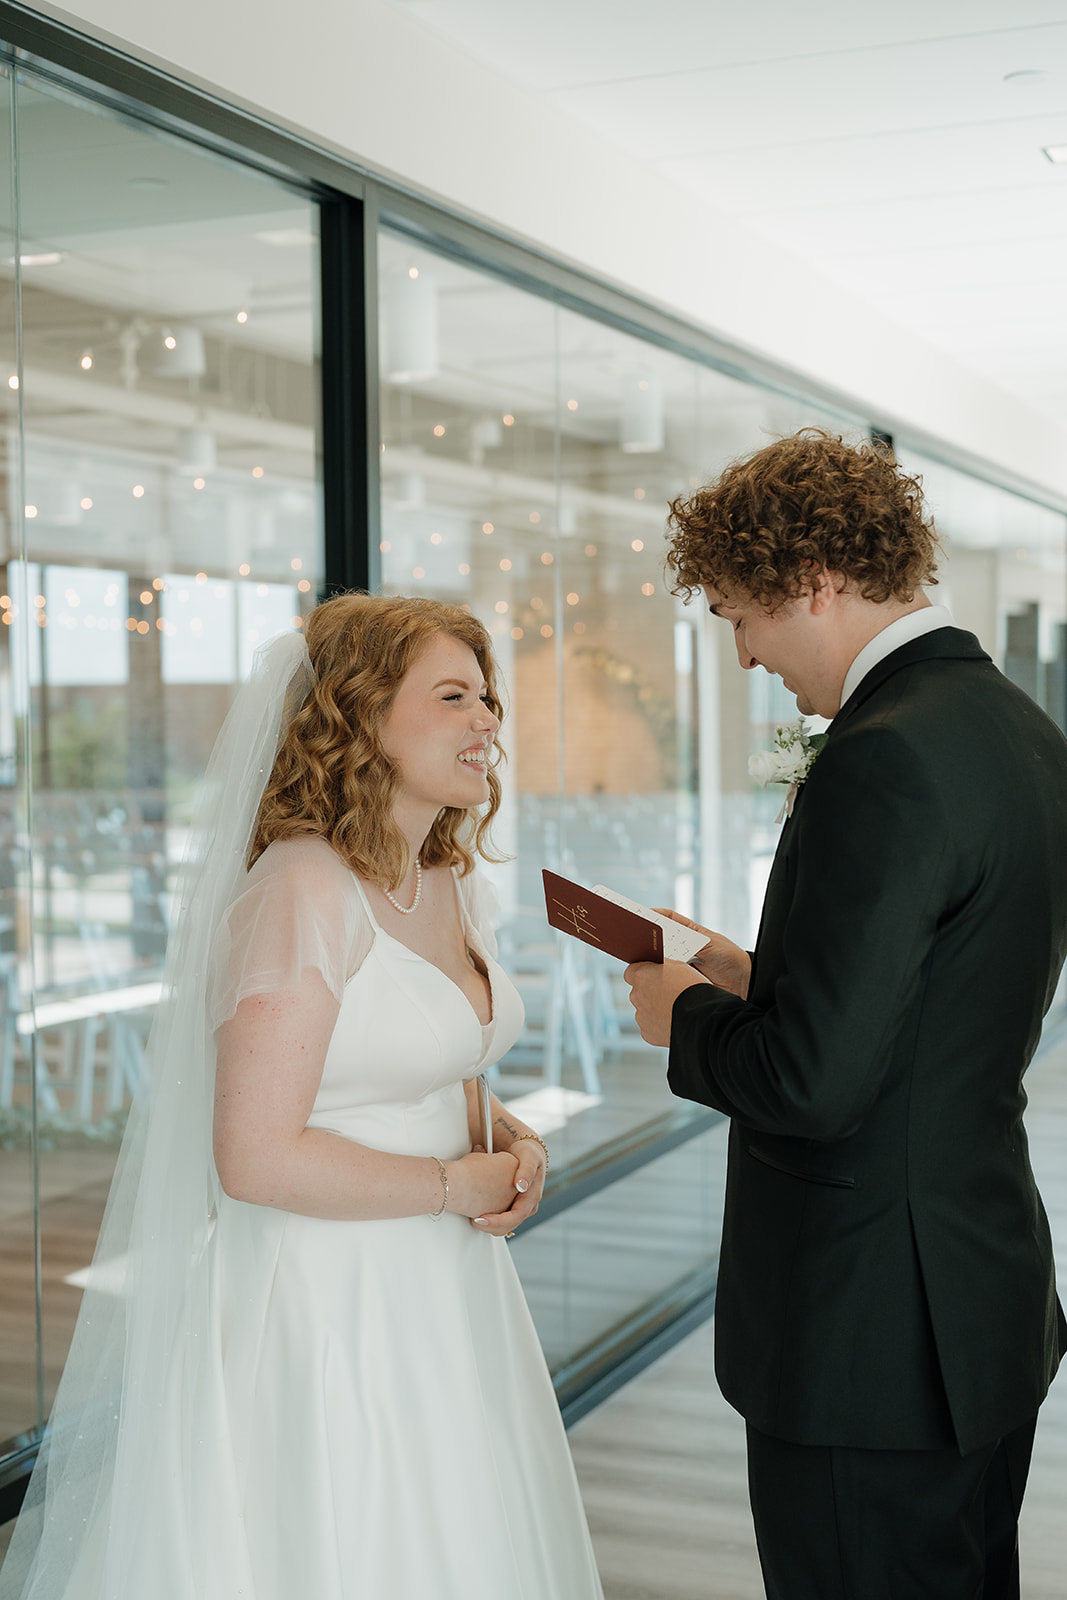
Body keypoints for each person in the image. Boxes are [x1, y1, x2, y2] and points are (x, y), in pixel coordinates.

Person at [1, 593, 603, 1600]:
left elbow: (430, 1062)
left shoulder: (445, 875)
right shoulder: (300, 888)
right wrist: (458, 1180)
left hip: (448, 1286)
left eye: (486, 697)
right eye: (453, 695)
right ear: (360, 715)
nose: (487, 720)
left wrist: (507, 1134)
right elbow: (256, 1154)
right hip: (326, 1295)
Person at [624, 430, 1067, 1600]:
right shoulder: (1018, 732)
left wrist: (682, 1018)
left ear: (812, 581)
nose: (741, 655)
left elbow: (812, 1085)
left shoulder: (880, 755)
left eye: (739, 618)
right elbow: (934, 994)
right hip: (972, 1304)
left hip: (865, 1328)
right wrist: (754, 972)